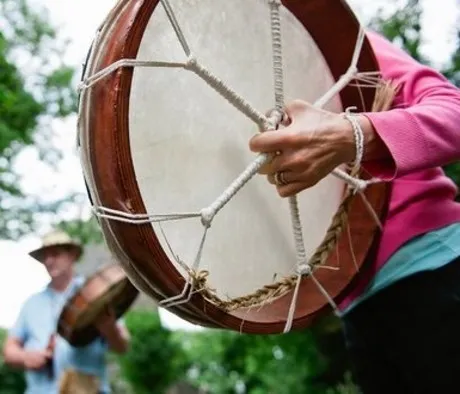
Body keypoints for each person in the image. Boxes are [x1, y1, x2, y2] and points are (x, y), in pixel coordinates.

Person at [249, 29, 460, 393]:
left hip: (436, 270)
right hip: (355, 310)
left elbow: (453, 111)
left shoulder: (319, 35)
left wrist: (354, 135)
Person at [2, 230, 130, 394]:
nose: (48, 261)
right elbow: (9, 350)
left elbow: (122, 347)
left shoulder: (96, 294)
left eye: (55, 254)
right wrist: (26, 357)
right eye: (45, 256)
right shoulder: (32, 303)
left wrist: (110, 330)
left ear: (72, 255)